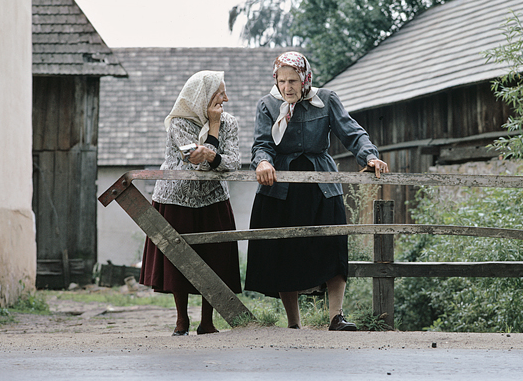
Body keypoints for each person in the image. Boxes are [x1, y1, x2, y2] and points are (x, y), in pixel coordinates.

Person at [245, 52, 389, 331]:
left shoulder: (326, 100)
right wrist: (263, 161)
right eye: (282, 80)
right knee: (285, 250)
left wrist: (369, 156)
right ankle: (294, 323)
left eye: (294, 80)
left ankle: (336, 316)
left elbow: (352, 133)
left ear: (305, 79)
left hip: (322, 184)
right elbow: (261, 143)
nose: (287, 87)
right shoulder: (267, 105)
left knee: (333, 245)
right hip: (281, 187)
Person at [139, 70, 242, 336]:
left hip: (213, 199)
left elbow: (232, 163)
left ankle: (207, 322)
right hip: (176, 199)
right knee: (178, 259)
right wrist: (211, 152)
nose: (226, 99)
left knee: (214, 260)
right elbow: (196, 163)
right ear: (203, 96)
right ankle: (181, 320)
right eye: (220, 94)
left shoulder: (229, 122)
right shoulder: (180, 124)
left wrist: (214, 138)